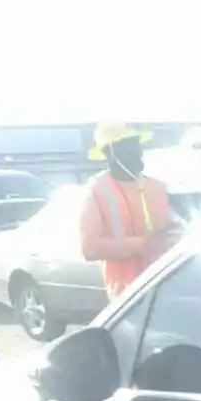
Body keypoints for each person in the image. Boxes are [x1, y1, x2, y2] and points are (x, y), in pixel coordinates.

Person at [79, 123, 179, 299]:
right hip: (127, 298)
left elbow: (177, 229)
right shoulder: (97, 192)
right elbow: (89, 248)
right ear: (110, 153)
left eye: (137, 144)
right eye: (128, 146)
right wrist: (142, 245)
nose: (137, 151)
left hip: (165, 288)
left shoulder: (156, 187)